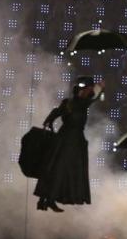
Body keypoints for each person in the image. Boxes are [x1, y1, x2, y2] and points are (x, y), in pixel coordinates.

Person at [34, 76, 104, 211]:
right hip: (67, 139)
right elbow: (57, 112)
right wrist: (49, 121)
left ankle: (48, 199)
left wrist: (49, 120)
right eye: (88, 89)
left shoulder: (81, 102)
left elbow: (56, 112)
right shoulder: (73, 103)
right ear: (83, 90)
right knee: (56, 169)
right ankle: (45, 199)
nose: (90, 91)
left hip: (72, 139)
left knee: (61, 170)